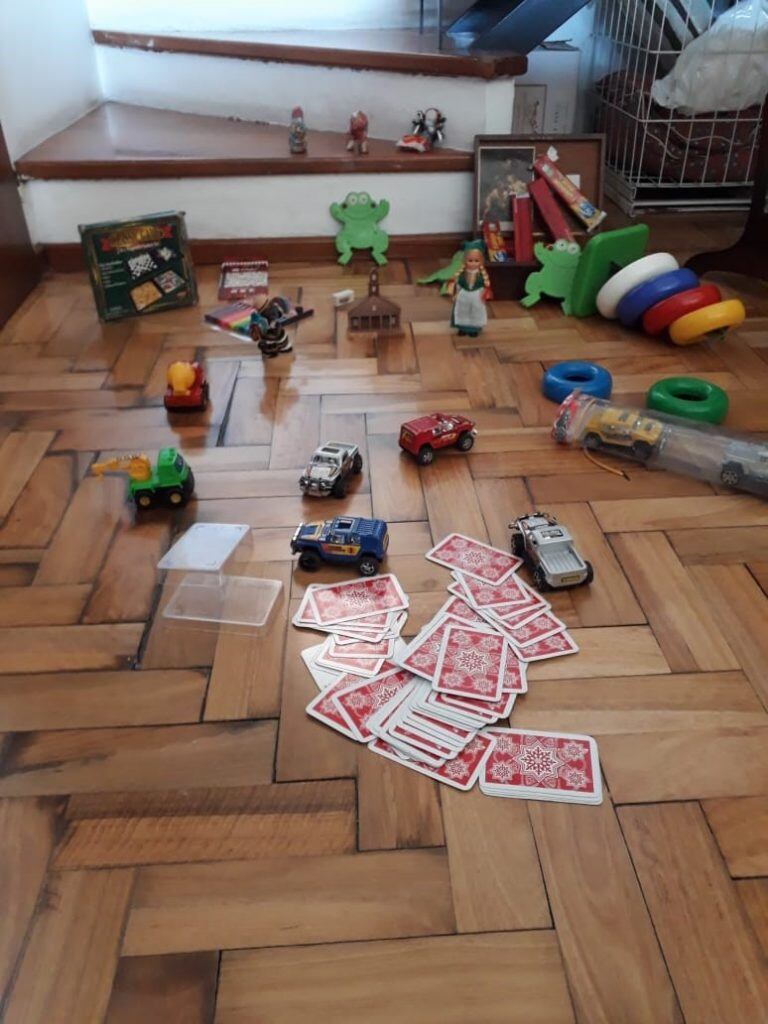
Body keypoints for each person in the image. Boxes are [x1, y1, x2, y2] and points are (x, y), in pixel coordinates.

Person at [447, 240, 492, 337]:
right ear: (465, 261)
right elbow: (458, 284)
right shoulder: (462, 274)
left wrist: (484, 294)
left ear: (481, 261)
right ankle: (462, 328)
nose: (473, 263)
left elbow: (485, 286)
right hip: (464, 294)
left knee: (476, 311)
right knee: (462, 311)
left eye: (476, 261)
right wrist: (456, 293)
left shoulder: (481, 275)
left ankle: (474, 329)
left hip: (476, 295)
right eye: (470, 261)